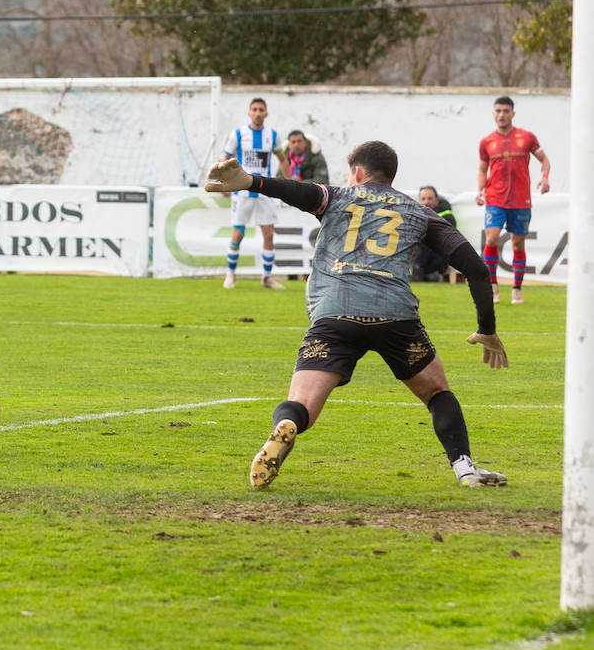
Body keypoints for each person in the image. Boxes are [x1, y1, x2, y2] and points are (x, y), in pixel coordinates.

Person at [205, 140, 509, 490]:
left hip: (335, 315)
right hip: (396, 319)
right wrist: (486, 328)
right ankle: (465, 469)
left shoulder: (339, 195)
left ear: (358, 173)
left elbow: (298, 192)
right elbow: (477, 269)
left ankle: (285, 427)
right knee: (438, 393)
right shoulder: (421, 211)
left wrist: (252, 182)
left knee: (300, 404)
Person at [476, 95, 551, 305]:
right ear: (493, 114)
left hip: (520, 199)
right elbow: (482, 170)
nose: (502, 115)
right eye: (498, 111)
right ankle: (493, 286)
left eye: (506, 111)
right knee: (491, 239)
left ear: (513, 113)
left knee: (517, 243)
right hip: (495, 197)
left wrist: (544, 179)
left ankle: (516, 289)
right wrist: (479, 190)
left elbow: (544, 160)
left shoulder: (526, 137)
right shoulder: (486, 142)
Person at [220, 97, 289, 290]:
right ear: (249, 113)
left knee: (269, 234)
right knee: (237, 234)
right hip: (242, 192)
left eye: (261, 110)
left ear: (266, 113)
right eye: (255, 109)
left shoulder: (273, 135)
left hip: (265, 191)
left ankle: (267, 277)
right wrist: (222, 182)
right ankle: (230, 275)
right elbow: (224, 158)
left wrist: (291, 185)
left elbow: (282, 160)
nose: (258, 113)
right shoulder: (238, 134)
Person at [412, 186, 457, 282]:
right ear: (419, 201)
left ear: (437, 200)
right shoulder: (415, 214)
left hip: (438, 257)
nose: (426, 202)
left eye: (429, 199)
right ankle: (423, 274)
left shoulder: (447, 215)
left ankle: (420, 272)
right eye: (423, 199)